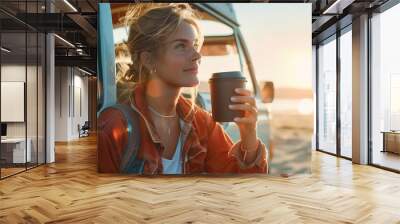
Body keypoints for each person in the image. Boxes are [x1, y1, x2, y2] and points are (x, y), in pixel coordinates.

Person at [98, 3, 269, 174]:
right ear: (148, 60)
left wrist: (249, 137)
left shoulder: (202, 122)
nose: (197, 55)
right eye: (181, 46)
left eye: (194, 45)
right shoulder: (114, 125)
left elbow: (240, 189)